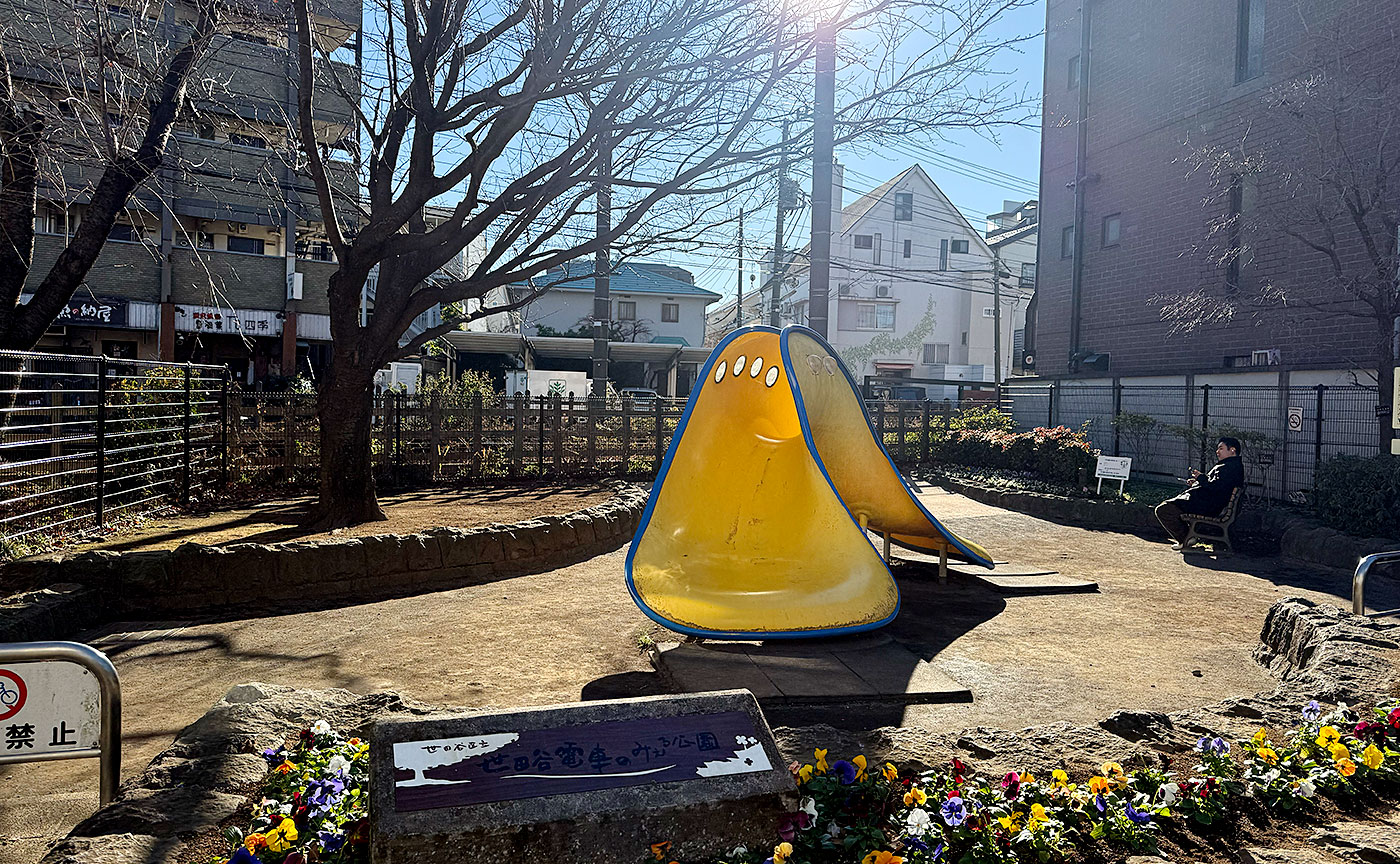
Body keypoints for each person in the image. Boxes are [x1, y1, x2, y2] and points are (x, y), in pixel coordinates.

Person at [1155, 436, 1244, 550]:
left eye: (1221, 448)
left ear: (1232, 450)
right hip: (1206, 503)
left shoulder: (1230, 467)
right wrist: (1197, 482)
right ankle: (1186, 538)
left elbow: (1216, 486)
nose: (1217, 452)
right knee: (1167, 508)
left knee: (1164, 510)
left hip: (1207, 505)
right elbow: (1215, 485)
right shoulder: (1231, 465)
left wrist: (1201, 478)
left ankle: (1185, 538)